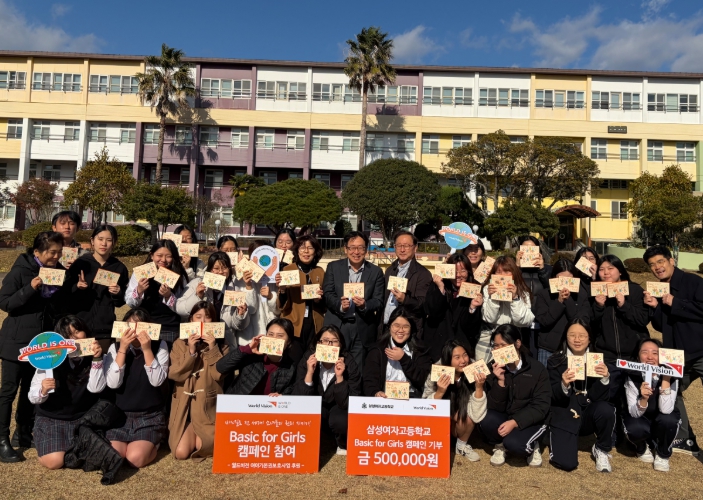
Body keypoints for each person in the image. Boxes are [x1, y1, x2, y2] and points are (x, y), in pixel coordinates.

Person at [0, 231, 69, 462]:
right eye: (52, 252)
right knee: (8, 391)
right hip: (16, 341)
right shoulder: (21, 270)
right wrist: (29, 288)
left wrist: (72, 288)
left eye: (59, 252)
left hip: (40, 342)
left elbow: (59, 307)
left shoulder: (58, 272)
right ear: (37, 252)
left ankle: (23, 433)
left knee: (31, 388)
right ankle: (2, 439)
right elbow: (5, 303)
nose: (56, 257)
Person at [642, 245, 703, 455]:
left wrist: (676, 302)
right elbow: (661, 326)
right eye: (652, 265)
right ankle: (685, 438)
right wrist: (655, 307)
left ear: (671, 261)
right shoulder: (659, 289)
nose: (657, 267)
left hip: (700, 351)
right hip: (677, 355)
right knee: (670, 390)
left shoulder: (693, 281)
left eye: (660, 261)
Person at [29, 316, 106, 469]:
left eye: (77, 332)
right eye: (67, 336)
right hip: (52, 418)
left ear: (86, 333)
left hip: (82, 417)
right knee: (54, 461)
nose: (74, 339)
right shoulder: (50, 360)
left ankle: (72, 448)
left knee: (98, 456)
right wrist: (43, 390)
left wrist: (97, 359)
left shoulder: (96, 356)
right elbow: (33, 397)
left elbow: (96, 388)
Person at [546, 318, 615, 472]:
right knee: (567, 463)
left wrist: (604, 379)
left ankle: (601, 449)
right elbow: (552, 397)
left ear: (589, 338)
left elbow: (602, 399)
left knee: (606, 409)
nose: (577, 340)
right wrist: (563, 385)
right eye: (572, 335)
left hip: (588, 412)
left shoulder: (598, 361)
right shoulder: (555, 360)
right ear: (565, 337)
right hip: (565, 414)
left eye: (582, 335)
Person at [104, 308, 169, 468]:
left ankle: (155, 442)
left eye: (140, 326)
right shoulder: (114, 347)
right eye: (130, 326)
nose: (134, 331)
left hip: (149, 415)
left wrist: (147, 349)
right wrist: (123, 349)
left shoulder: (160, 345)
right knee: (115, 456)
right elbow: (113, 384)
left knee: (134, 458)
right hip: (120, 416)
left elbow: (157, 381)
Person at [480, 325, 550, 467]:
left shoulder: (537, 369)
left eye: (503, 345)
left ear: (517, 344)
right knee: (486, 419)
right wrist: (500, 382)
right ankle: (500, 445)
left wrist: (515, 422)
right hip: (505, 415)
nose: (498, 350)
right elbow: (493, 407)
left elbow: (541, 406)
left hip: (530, 420)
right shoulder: (493, 368)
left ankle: (533, 444)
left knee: (516, 445)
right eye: (495, 346)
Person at [168, 302, 229, 460]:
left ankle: (202, 432)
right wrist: (191, 351)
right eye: (198, 317)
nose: (203, 321)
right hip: (184, 407)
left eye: (208, 317)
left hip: (207, 408)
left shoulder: (224, 348)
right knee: (180, 453)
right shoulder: (179, 344)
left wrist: (213, 348)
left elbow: (218, 375)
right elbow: (175, 374)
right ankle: (189, 429)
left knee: (205, 446)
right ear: (191, 320)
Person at [293, 325, 361, 455]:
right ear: (318, 343)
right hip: (316, 403)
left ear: (340, 345)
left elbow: (349, 402)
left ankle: (342, 443)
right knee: (311, 413)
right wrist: (309, 373)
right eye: (325, 340)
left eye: (334, 341)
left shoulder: (349, 362)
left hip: (338, 406)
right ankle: (309, 440)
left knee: (340, 419)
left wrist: (340, 377)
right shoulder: (308, 359)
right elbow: (299, 398)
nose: (329, 345)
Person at [323, 231, 385, 372]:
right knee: (332, 367)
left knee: (358, 369)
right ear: (346, 249)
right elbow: (328, 294)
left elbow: (378, 301)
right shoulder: (333, 267)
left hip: (362, 327)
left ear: (366, 250)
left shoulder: (376, 272)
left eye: (361, 248)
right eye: (352, 248)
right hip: (337, 324)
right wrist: (340, 305)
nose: (356, 252)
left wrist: (364, 305)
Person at [422, 340, 487, 461]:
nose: (463, 360)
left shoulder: (475, 371)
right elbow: (424, 406)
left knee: (467, 417)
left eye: (465, 355)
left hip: (461, 421)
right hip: (442, 419)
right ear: (448, 360)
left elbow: (477, 415)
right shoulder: (436, 373)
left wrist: (479, 387)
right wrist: (439, 392)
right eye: (457, 357)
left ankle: (461, 445)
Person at [68, 225, 129, 353]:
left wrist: (118, 292)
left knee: (102, 362)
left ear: (114, 243)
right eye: (100, 239)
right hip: (80, 329)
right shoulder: (81, 263)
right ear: (92, 241)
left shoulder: (119, 267)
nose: (103, 244)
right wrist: (77, 287)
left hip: (105, 330)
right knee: (79, 363)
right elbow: (67, 294)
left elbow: (120, 302)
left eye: (109, 240)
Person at [623, 339, 680, 472]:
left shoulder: (673, 376)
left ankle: (663, 453)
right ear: (638, 357)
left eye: (655, 353)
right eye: (644, 352)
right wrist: (643, 398)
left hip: (661, 418)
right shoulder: (632, 376)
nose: (649, 357)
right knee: (634, 426)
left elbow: (666, 410)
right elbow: (634, 413)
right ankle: (641, 447)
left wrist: (666, 379)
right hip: (641, 418)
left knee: (669, 419)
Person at [176, 252, 250, 348]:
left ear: (229, 269)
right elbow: (180, 309)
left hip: (225, 344)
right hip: (198, 342)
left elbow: (239, 326)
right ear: (210, 269)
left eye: (224, 268)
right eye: (216, 268)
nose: (221, 272)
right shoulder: (197, 283)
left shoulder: (234, 289)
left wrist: (240, 315)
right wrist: (197, 296)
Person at [125, 240, 190, 345]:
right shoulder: (141, 273)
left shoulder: (179, 275)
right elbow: (130, 303)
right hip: (144, 327)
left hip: (168, 328)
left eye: (168, 256)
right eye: (159, 255)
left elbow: (182, 307)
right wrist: (139, 291)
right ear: (152, 255)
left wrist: (168, 296)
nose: (163, 260)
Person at [276, 235, 326, 365]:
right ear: (297, 251)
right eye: (302, 247)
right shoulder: (288, 270)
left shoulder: (320, 272)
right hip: (294, 323)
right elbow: (282, 305)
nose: (306, 251)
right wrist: (282, 290)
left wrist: (318, 299)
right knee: (293, 362)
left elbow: (325, 304)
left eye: (310, 248)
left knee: (311, 362)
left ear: (315, 252)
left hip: (314, 325)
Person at [423, 253, 483, 362]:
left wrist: (472, 307)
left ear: (469, 272)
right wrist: (440, 288)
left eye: (463, 271)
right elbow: (432, 312)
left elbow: (472, 329)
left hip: (461, 350)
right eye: (454, 271)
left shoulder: (474, 290)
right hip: (437, 348)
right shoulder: (437, 285)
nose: (458, 275)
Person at [216, 318, 297, 395]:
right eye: (271, 334)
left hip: (266, 404)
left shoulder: (291, 367)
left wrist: (282, 396)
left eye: (280, 336)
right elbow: (221, 367)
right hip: (240, 402)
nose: (274, 339)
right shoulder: (251, 355)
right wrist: (246, 349)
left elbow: (291, 390)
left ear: (288, 341)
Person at [363, 308, 431, 399]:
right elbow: (369, 381)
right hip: (386, 399)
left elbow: (425, 380)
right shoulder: (377, 350)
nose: (400, 330)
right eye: (396, 326)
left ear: (411, 329)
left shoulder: (419, 350)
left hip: (412, 399)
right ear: (390, 327)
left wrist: (404, 359)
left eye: (405, 327)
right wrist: (375, 392)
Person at [476, 256, 534, 362]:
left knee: (509, 369)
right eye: (498, 272)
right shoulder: (487, 289)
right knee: (488, 370)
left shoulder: (523, 292)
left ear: (514, 273)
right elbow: (489, 318)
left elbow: (522, 321)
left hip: (510, 338)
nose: (502, 275)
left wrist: (515, 298)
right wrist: (493, 298)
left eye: (506, 271)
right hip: (490, 338)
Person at [534, 259, 587, 366]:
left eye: (569, 279)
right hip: (548, 348)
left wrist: (568, 300)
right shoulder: (544, 294)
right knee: (546, 376)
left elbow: (579, 321)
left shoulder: (581, 295)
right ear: (554, 277)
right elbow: (544, 321)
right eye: (561, 279)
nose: (565, 284)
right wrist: (559, 302)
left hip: (573, 349)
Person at [380, 231, 432, 334]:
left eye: (407, 246)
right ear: (394, 247)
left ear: (415, 248)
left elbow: (423, 304)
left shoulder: (423, 274)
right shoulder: (390, 270)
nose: (402, 249)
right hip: (386, 329)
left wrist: (405, 299)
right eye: (399, 245)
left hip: (407, 332)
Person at [233, 241, 282, 348]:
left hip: (270, 338)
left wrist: (271, 296)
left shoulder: (274, 279)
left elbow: (278, 311)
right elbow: (250, 309)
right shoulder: (241, 280)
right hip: (249, 339)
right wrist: (248, 286)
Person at [516, 235, 552, 358]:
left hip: (541, 322)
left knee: (539, 358)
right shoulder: (515, 269)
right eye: (525, 248)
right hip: (521, 321)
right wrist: (517, 267)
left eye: (532, 248)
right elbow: (509, 287)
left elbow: (552, 290)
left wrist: (542, 270)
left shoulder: (548, 269)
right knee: (523, 356)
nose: (528, 252)